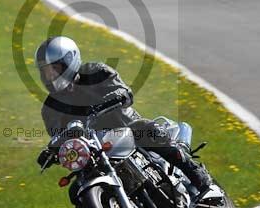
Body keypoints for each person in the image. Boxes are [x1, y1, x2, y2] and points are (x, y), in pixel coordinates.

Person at [34, 36, 213, 194]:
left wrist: (117, 96)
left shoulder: (95, 71)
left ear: (69, 61)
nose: (50, 76)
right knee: (76, 192)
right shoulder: (50, 108)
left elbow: (123, 91)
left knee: (148, 130)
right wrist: (53, 150)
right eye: (46, 71)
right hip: (96, 150)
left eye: (54, 69)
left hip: (126, 128)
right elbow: (58, 134)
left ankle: (192, 170)